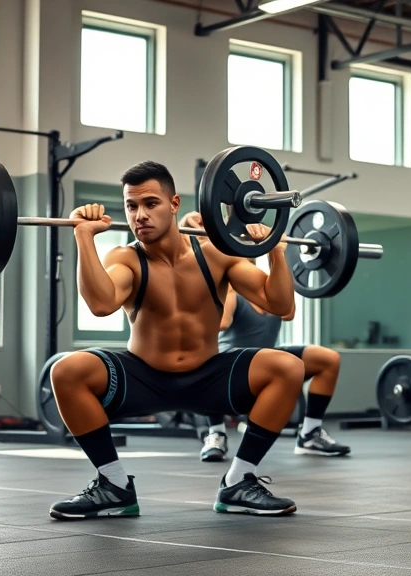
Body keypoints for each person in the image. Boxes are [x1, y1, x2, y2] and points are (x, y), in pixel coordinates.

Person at [48, 161, 305, 520]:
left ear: (173, 204)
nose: (140, 215)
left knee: (288, 367)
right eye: (131, 206)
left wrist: (274, 250)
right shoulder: (127, 258)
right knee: (66, 371)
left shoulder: (216, 254)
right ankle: (114, 485)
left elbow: (280, 303)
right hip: (143, 378)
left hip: (209, 378)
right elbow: (102, 303)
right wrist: (83, 237)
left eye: (150, 204)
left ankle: (239, 481)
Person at [178, 211, 351, 461]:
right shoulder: (230, 288)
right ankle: (215, 433)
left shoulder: (266, 283)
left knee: (328, 359)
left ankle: (310, 434)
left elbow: (288, 311)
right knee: (206, 359)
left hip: (266, 357)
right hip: (231, 360)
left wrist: (276, 250)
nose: (245, 252)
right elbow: (222, 322)